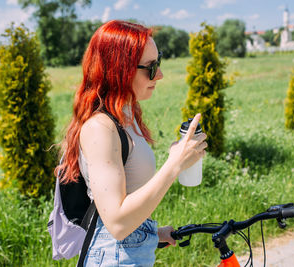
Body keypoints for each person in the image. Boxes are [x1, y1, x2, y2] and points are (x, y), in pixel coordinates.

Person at [56, 20, 207, 266]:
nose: (160, 74)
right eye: (150, 67)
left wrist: (150, 233)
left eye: (159, 62)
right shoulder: (100, 128)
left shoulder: (126, 117)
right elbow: (115, 223)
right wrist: (174, 165)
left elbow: (124, 206)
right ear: (119, 69)